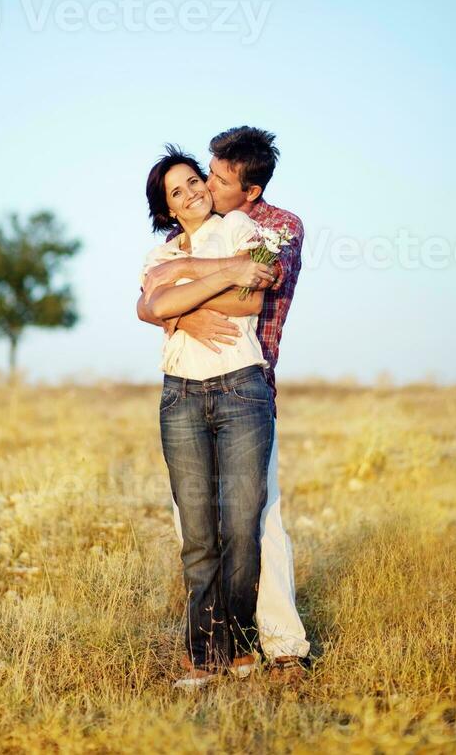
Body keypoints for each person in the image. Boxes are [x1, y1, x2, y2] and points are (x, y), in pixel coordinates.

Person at [138, 126, 310, 686]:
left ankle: (244, 644)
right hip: (179, 393)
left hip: (242, 385)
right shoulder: (160, 252)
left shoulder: (251, 227)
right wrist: (201, 281)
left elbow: (252, 296)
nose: (195, 190)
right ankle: (205, 652)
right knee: (197, 534)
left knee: (244, 524)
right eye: (180, 190)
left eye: (200, 179)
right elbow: (149, 303)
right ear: (165, 208)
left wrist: (182, 288)